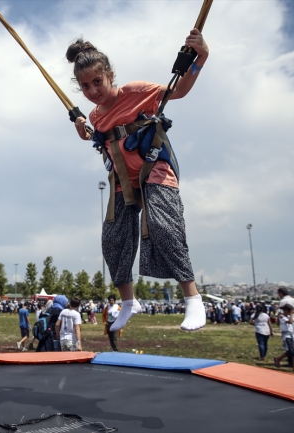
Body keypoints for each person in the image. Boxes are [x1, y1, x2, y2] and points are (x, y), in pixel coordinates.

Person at [68, 29, 208, 332]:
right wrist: (83, 129)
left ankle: (193, 299)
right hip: (123, 182)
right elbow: (99, 138)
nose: (93, 90)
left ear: (110, 75)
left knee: (163, 226)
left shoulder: (136, 91)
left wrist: (200, 58)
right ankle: (130, 302)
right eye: (85, 86)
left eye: (97, 82)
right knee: (112, 240)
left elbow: (179, 90)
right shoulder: (94, 116)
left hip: (154, 168)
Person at [274, 305, 294, 374]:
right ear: (286, 311)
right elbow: (290, 322)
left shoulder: (288, 316)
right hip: (287, 335)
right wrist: (291, 314)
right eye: (289, 311)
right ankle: (278, 358)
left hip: (292, 334)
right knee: (290, 351)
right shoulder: (282, 316)